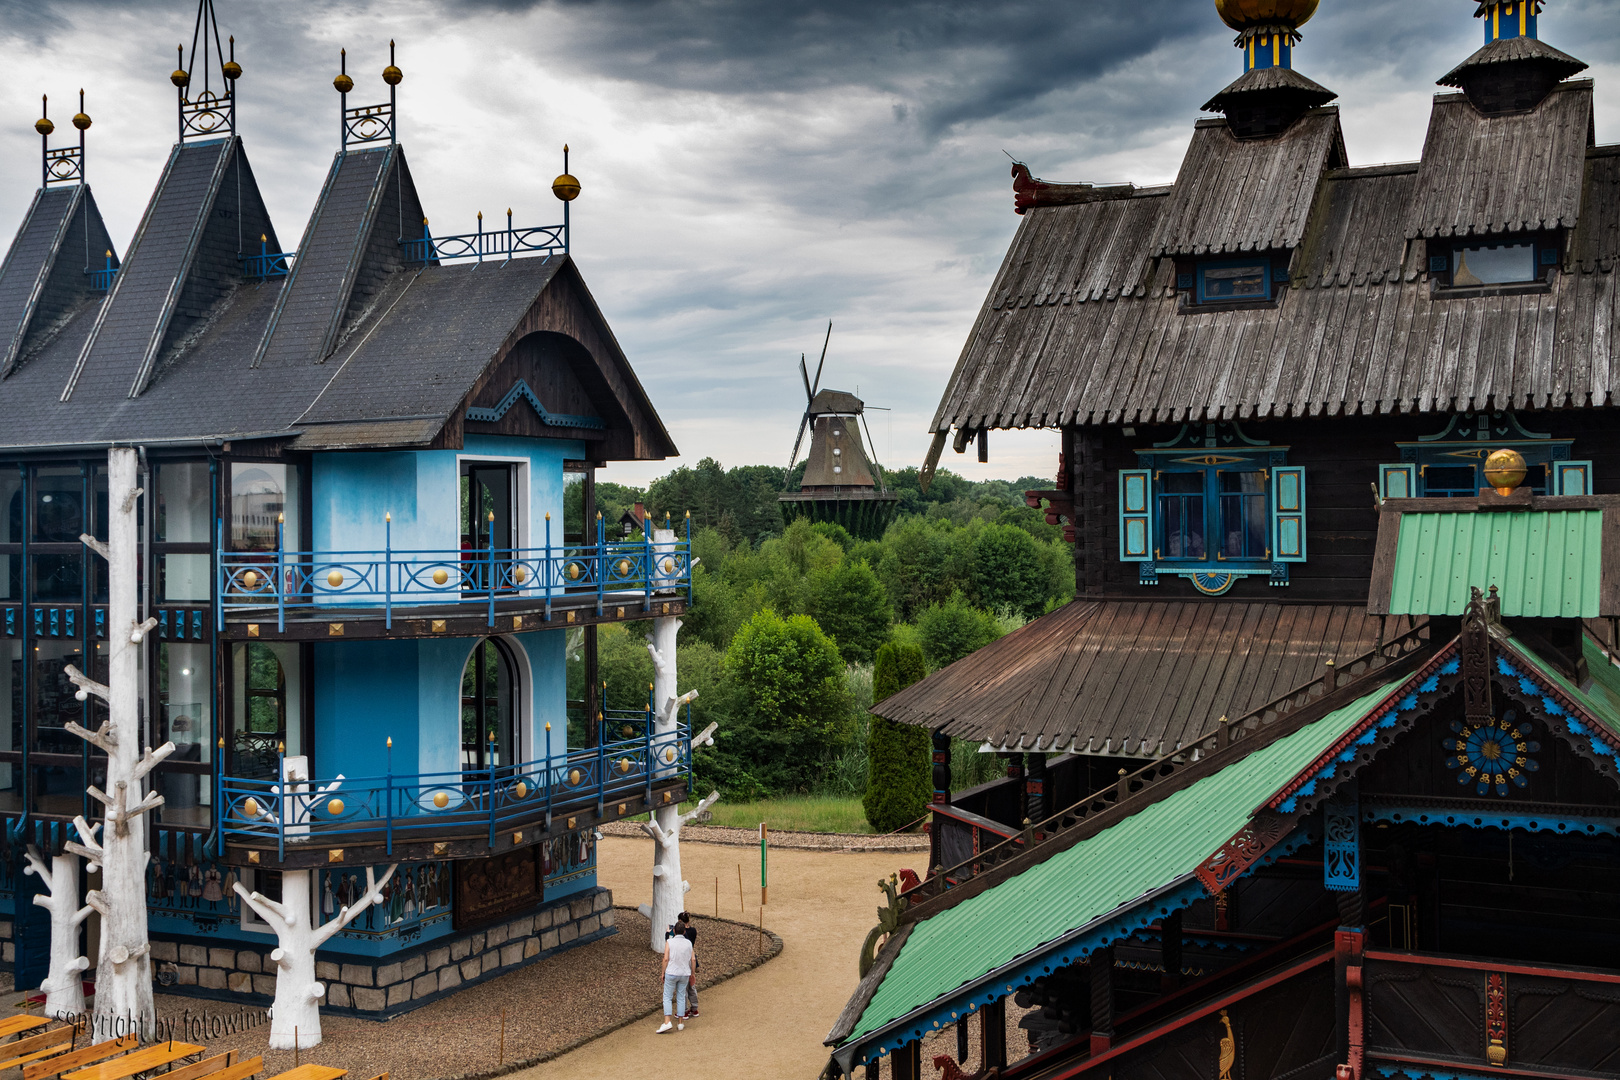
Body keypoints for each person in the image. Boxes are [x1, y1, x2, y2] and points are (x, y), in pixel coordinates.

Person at [657, 919, 695, 1033]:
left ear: (674, 931)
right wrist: (692, 973)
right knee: (681, 996)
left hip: (672, 972)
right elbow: (693, 959)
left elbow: (666, 959)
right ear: (684, 932)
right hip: (684, 973)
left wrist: (662, 972)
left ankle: (667, 1021)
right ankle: (680, 1022)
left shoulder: (670, 942)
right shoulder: (689, 943)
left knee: (667, 996)